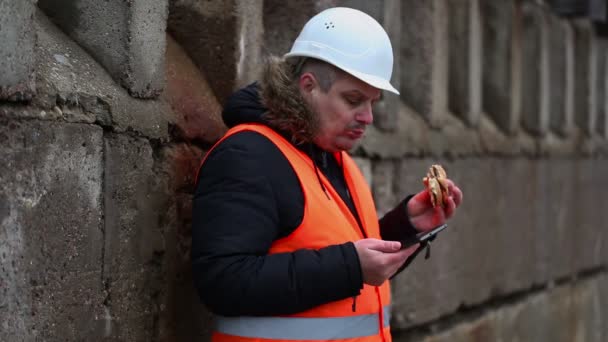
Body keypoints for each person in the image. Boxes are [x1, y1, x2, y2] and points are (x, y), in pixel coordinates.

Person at [192, 7, 463, 342]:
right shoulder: (248, 155)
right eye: (353, 100)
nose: (368, 118)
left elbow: (336, 252)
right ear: (309, 86)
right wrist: (351, 266)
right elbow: (223, 281)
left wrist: (407, 225)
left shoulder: (328, 155)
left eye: (373, 103)